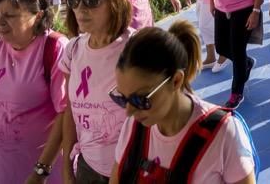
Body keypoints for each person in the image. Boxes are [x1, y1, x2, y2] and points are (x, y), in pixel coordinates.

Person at [110, 21, 257, 183]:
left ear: (176, 81)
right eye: (122, 98)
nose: (129, 111)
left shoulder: (223, 134)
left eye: (140, 99)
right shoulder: (134, 127)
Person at [0, 0, 68, 183]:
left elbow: (66, 114)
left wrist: (41, 171)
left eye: (10, 16)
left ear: (37, 16)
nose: (0, 23)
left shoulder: (54, 47)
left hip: (37, 173)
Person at [56, 0, 135, 183]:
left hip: (133, 168)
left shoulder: (137, 48)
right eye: (73, 0)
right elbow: (70, 110)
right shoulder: (72, 50)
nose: (80, 8)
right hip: (88, 166)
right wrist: (66, 167)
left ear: (116, 3)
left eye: (91, 0)